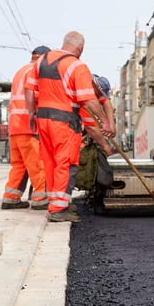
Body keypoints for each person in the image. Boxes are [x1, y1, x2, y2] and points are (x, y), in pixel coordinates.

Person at [25, 31, 112, 223]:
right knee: (66, 163)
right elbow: (88, 99)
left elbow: (29, 88)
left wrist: (32, 113)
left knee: (50, 162)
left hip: (43, 119)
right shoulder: (77, 66)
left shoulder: (42, 60)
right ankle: (58, 209)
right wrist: (104, 120)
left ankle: (54, 203)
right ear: (80, 49)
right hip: (64, 121)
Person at [0, 46, 50, 210]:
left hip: (14, 126)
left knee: (19, 165)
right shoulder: (37, 71)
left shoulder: (20, 71)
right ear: (43, 58)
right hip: (29, 126)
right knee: (38, 164)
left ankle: (11, 198)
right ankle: (41, 199)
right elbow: (36, 95)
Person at [77, 74, 116, 155]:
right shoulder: (82, 97)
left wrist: (111, 125)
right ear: (93, 87)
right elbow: (91, 127)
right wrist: (105, 146)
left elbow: (106, 102)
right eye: (98, 94)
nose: (98, 98)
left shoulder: (91, 85)